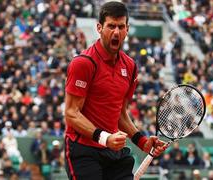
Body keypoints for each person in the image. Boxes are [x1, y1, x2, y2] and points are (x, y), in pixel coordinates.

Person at [64, 1, 168, 179]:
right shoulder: (83, 63)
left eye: (121, 27)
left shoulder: (130, 66)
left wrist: (142, 141)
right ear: (99, 27)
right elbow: (72, 113)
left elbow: (120, 113)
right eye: (111, 26)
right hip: (83, 152)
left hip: (114, 152)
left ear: (127, 29)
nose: (116, 32)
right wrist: (105, 138)